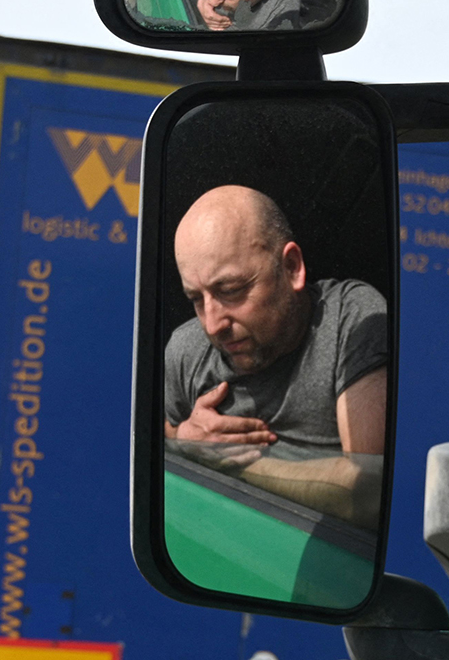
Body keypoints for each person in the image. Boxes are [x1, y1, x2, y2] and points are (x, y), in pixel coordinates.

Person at [164, 186, 388, 521]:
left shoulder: (350, 321)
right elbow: (155, 433)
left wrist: (230, 462)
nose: (212, 324)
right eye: (196, 298)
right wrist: (183, 439)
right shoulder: (187, 350)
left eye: (231, 291)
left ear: (292, 267)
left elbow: (369, 490)